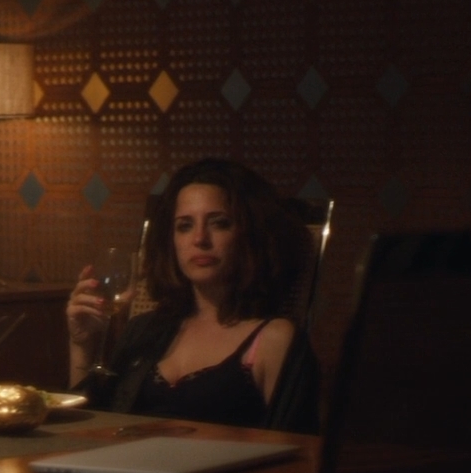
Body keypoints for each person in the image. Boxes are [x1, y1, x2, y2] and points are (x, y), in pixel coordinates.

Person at [66, 157, 322, 435]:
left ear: (249, 234)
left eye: (219, 223)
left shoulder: (274, 338)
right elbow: (88, 430)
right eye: (185, 226)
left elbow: (296, 450)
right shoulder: (144, 331)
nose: (199, 239)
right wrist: (83, 345)